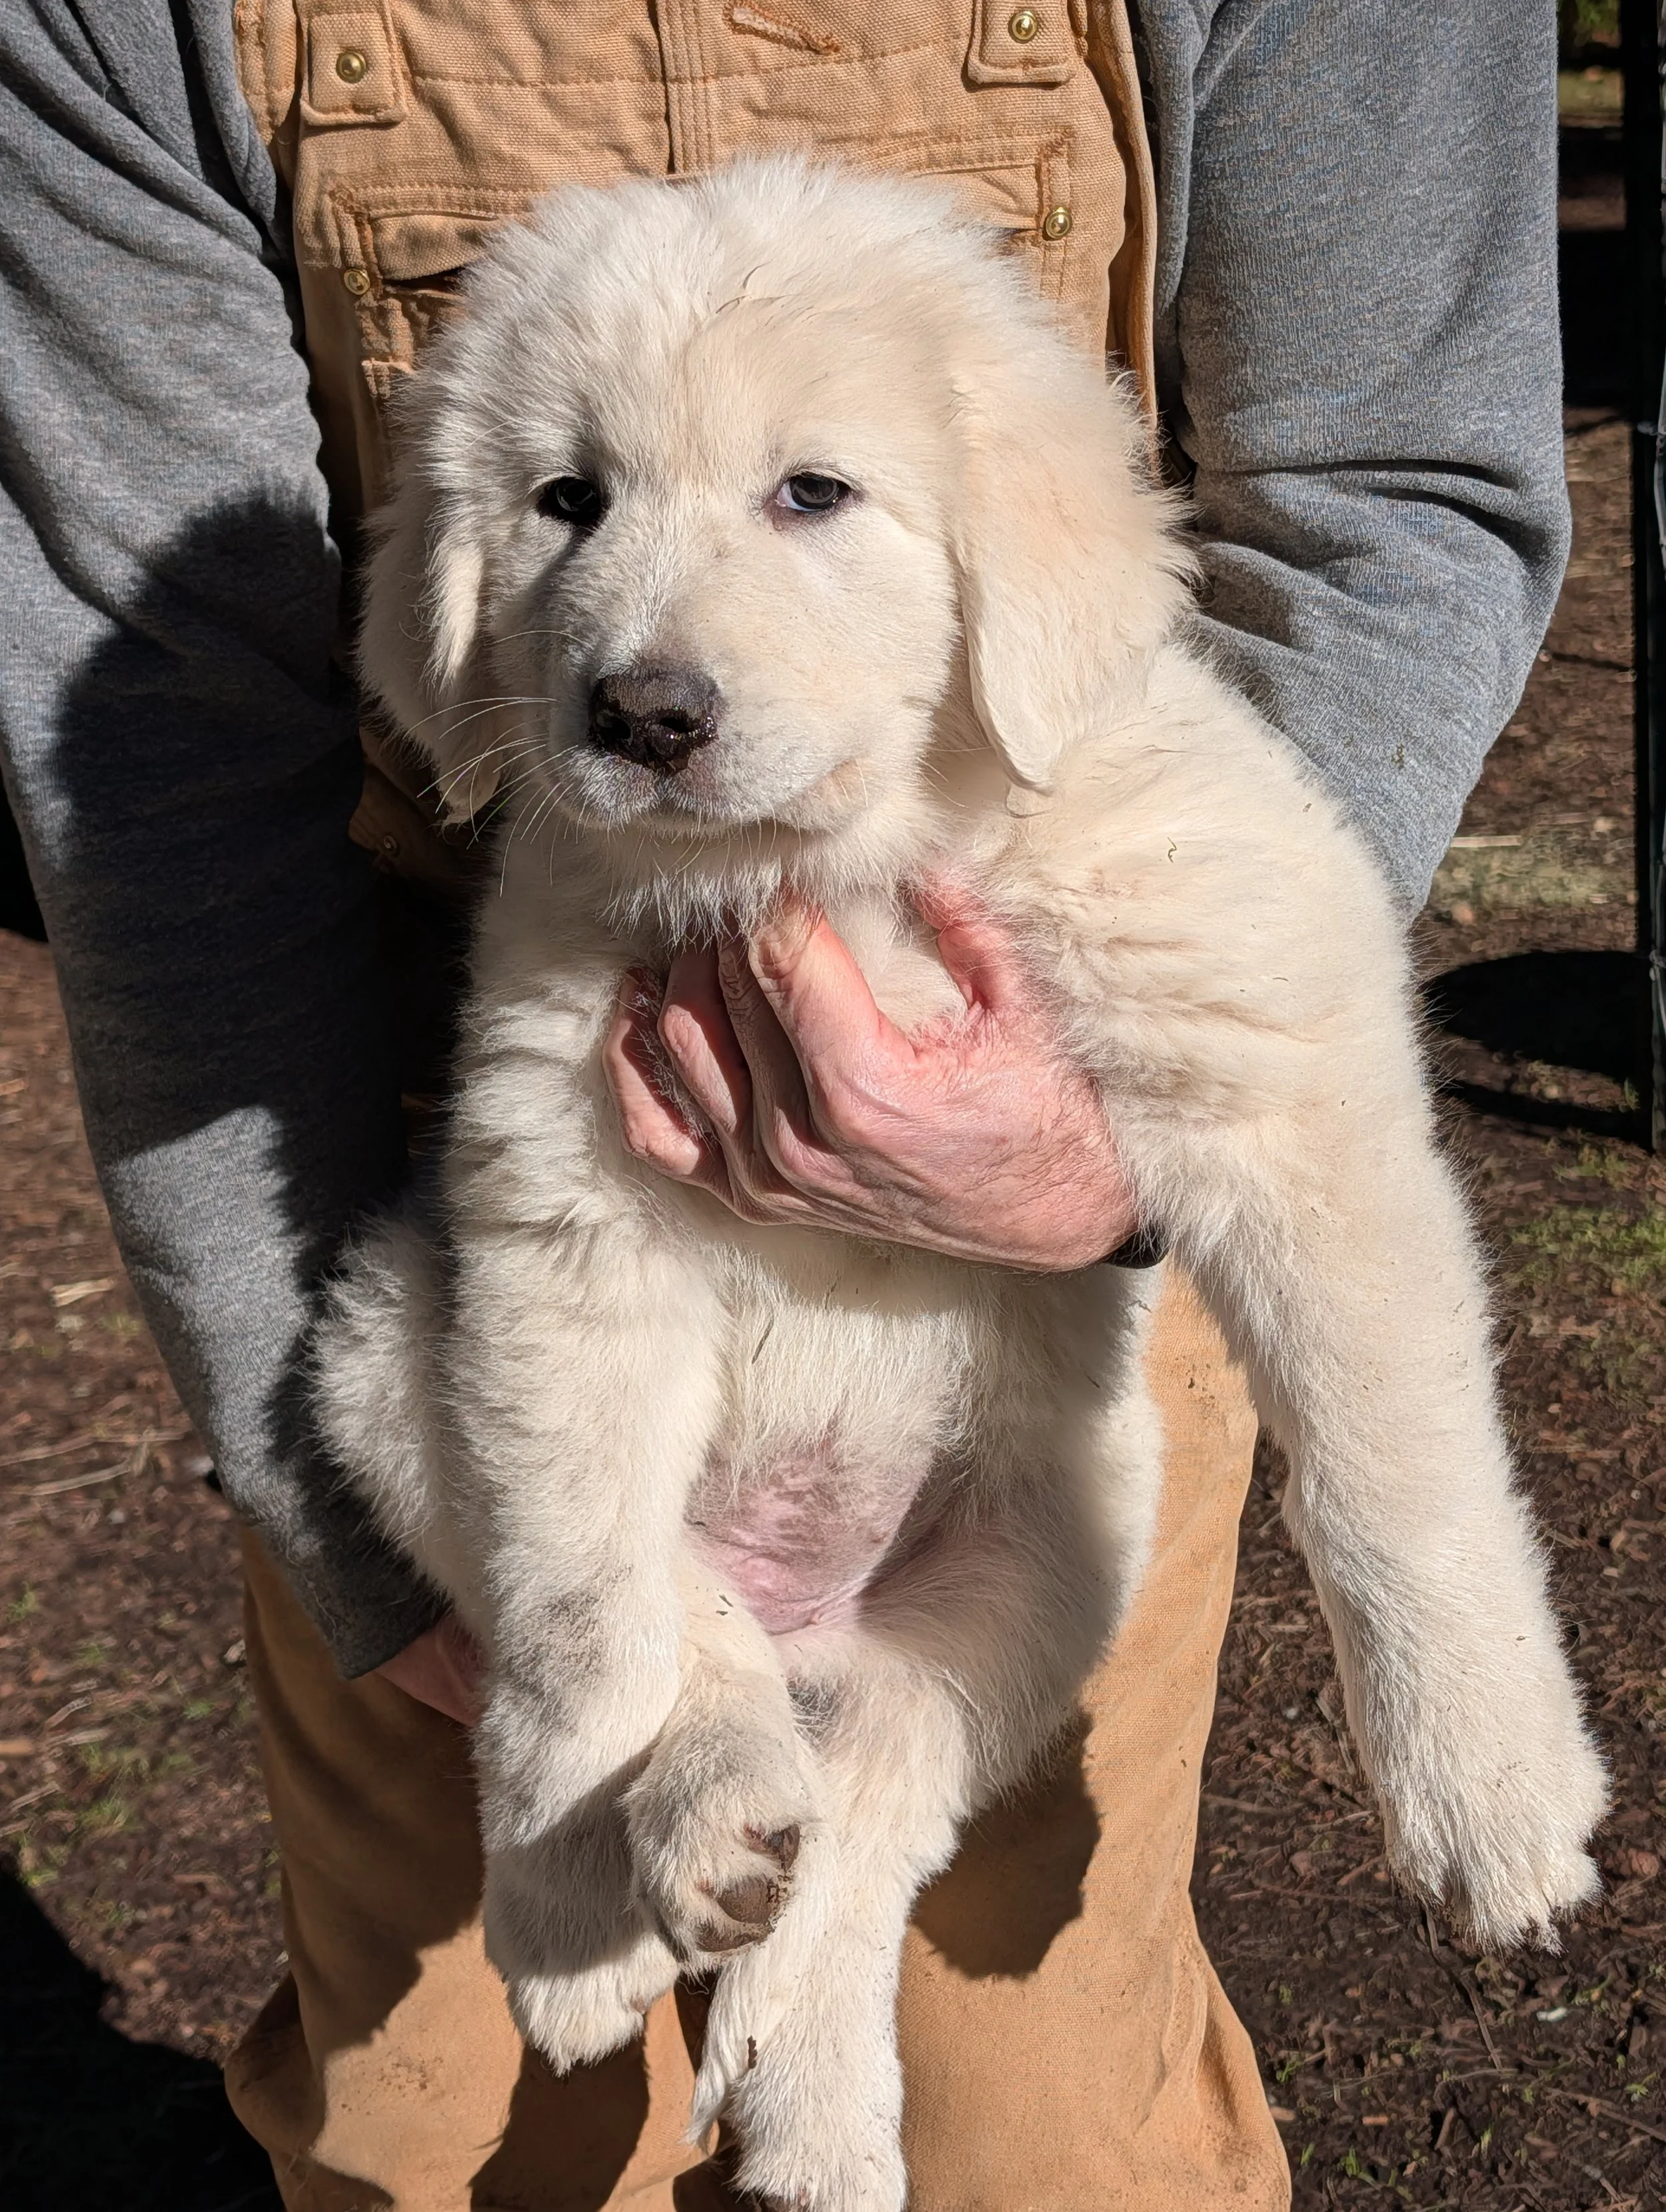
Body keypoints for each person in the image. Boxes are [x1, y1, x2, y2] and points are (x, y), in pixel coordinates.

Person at [0, 3, 1567, 2205]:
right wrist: (510, 1631)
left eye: (811, 493)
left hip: (1021, 1389)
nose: (649, 642)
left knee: (1051, 2137)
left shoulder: (1107, 723)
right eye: (567, 506)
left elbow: (1390, 510)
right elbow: (166, 728)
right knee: (448, 2143)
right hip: (482, 1358)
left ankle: (813, 2007)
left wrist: (1114, 1158)